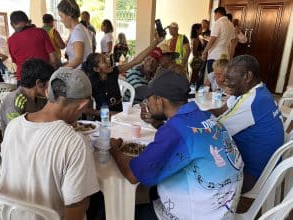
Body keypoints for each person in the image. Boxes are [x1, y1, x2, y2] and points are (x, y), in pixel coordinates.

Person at [110, 70, 243, 220]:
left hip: (200, 214)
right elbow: (186, 139)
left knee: (121, 211)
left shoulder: (174, 130)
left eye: (149, 99)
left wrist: (113, 148)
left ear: (160, 100)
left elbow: (132, 175)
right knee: (153, 188)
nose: (147, 104)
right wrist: (159, 125)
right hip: (222, 208)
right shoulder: (205, 115)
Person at [0, 68, 100, 220]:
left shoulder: (13, 126)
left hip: (9, 216)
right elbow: (75, 212)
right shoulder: (74, 142)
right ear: (82, 105)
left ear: (47, 92)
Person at [213, 55, 284, 193]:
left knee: (195, 164)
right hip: (266, 167)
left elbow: (214, 132)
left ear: (247, 76)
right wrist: (195, 112)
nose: (224, 82)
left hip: (253, 176)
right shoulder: (258, 91)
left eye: (229, 78)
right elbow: (221, 110)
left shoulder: (251, 102)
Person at [82, 36, 164, 114]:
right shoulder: (90, 83)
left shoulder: (113, 71)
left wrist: (156, 42)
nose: (108, 61)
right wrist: (107, 114)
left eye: (106, 58)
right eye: (104, 61)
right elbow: (86, 110)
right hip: (104, 118)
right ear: (97, 69)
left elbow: (136, 61)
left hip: (120, 112)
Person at [0, 58, 54, 131]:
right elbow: (15, 131)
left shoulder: (41, 98)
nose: (51, 88)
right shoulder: (15, 100)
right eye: (50, 83)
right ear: (39, 83)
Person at [8, 11, 59, 83]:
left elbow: (16, 61)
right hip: (43, 78)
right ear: (27, 21)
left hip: (24, 80)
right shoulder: (41, 32)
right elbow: (53, 58)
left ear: (12, 25)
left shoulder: (10, 40)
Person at [57, 0, 92, 68]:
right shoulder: (80, 28)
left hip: (80, 74)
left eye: (61, 16)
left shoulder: (77, 32)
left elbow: (78, 59)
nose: (61, 20)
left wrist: (61, 71)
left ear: (69, 15)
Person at [202, 7, 235, 75]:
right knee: (221, 79)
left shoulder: (218, 23)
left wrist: (204, 52)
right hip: (225, 56)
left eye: (214, 15)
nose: (214, 17)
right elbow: (233, 42)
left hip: (215, 55)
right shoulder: (231, 25)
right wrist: (231, 56)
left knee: (213, 78)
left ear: (217, 14)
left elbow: (212, 39)